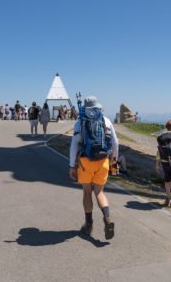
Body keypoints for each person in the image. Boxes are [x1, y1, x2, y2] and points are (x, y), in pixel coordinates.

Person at [69, 96, 119, 240]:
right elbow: (115, 143)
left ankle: (89, 224)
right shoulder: (106, 120)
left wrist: (72, 165)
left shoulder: (80, 122)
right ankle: (107, 218)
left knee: (87, 192)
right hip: (103, 160)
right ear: (98, 106)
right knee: (99, 192)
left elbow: (74, 145)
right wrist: (114, 164)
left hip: (85, 162)